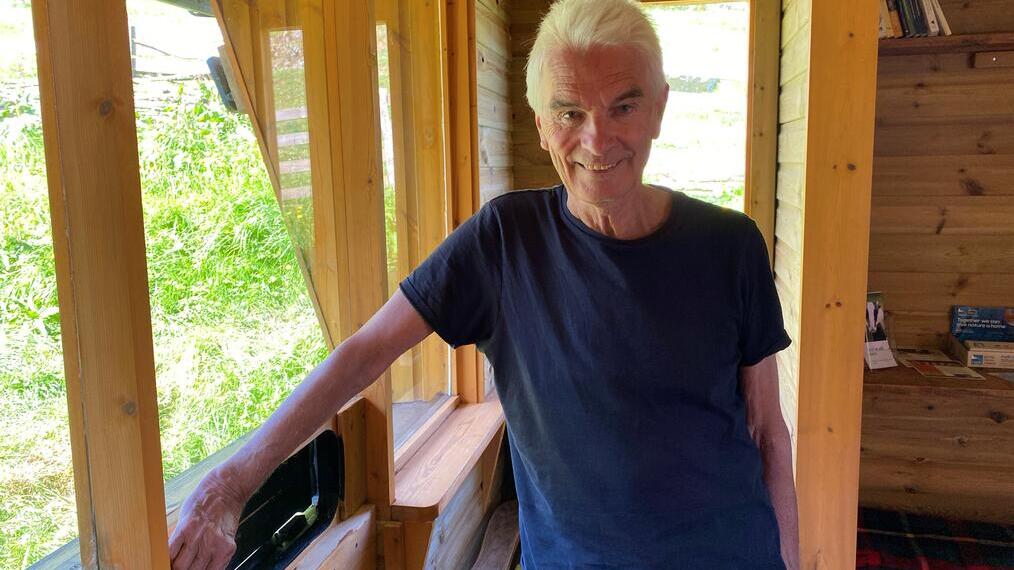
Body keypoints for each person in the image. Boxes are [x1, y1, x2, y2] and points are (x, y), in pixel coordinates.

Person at [169, 0, 800, 567]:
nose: (597, 139)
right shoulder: (505, 241)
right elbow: (363, 353)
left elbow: (769, 431)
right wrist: (232, 482)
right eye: (570, 112)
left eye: (624, 106)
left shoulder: (730, 245)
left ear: (659, 107)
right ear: (540, 122)